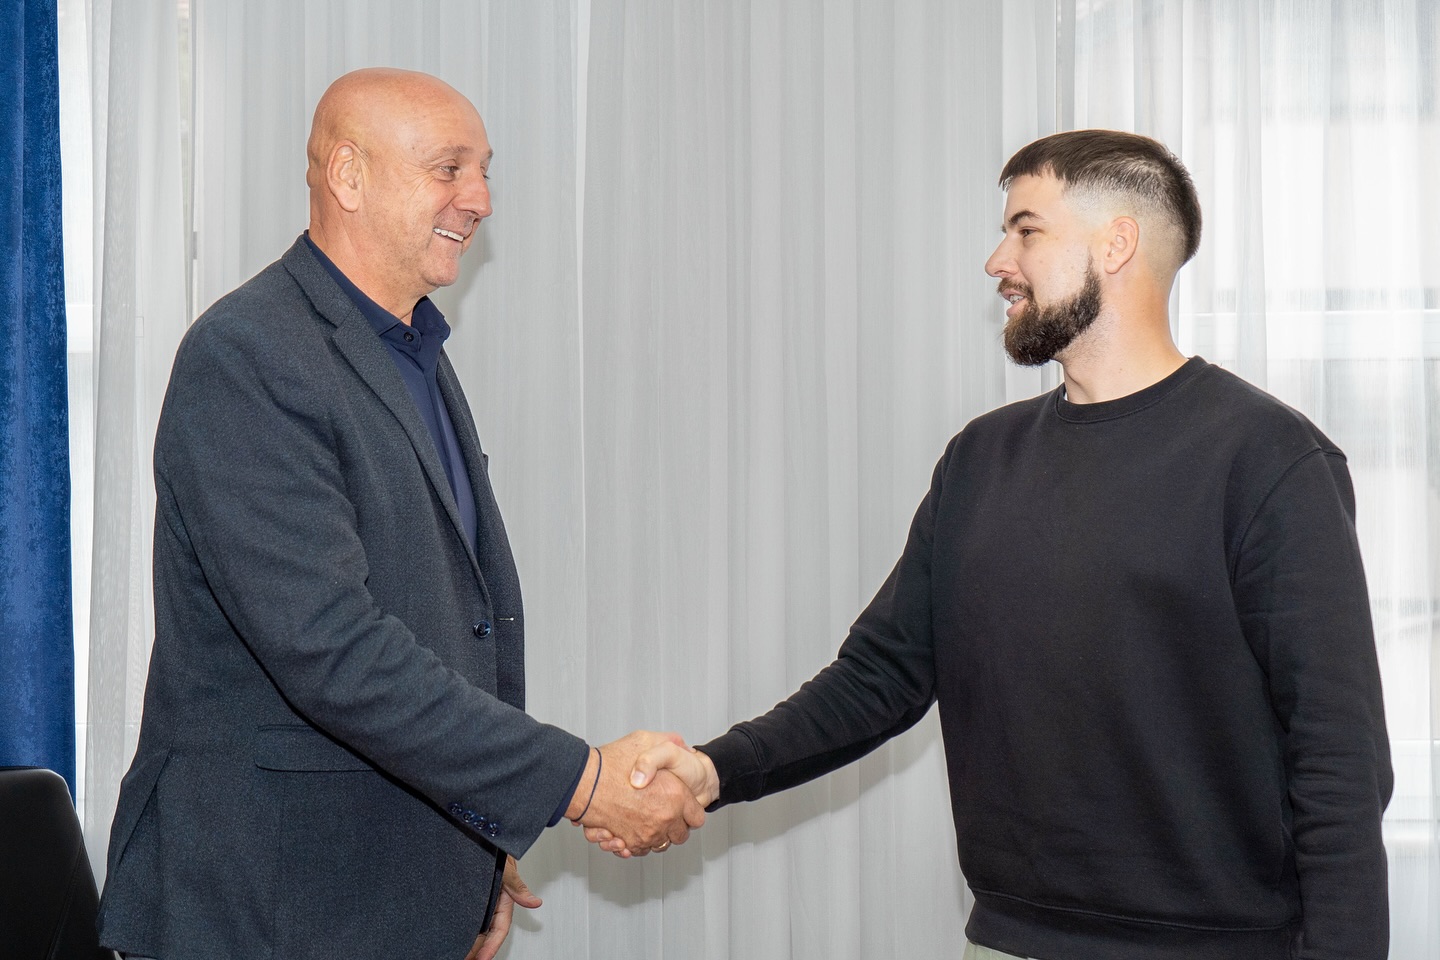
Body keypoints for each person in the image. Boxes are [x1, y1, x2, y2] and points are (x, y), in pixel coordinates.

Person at [602, 130, 1395, 959]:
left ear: (1116, 243)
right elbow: (879, 676)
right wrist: (714, 770)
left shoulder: (1267, 459)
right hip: (1009, 941)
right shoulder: (981, 459)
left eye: (1026, 230)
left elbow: (1339, 759)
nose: (996, 262)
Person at [97, 67, 702, 960]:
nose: (480, 199)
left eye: (484, 171)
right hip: (267, 912)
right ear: (349, 175)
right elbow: (332, 648)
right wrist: (580, 782)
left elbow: (450, 626)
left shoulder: (411, 350)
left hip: (389, 893)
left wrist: (475, 852)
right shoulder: (248, 354)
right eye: (449, 169)